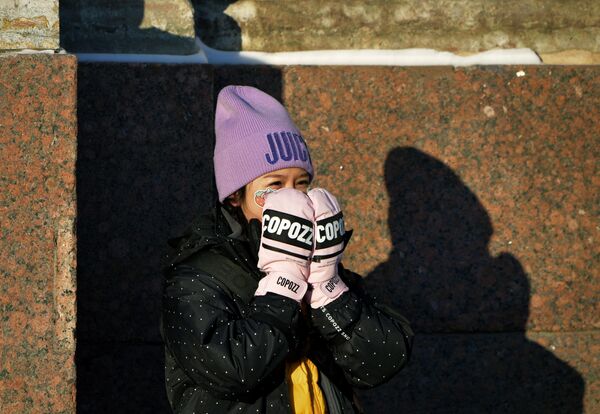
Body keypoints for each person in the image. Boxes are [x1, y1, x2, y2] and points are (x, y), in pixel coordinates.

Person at [161, 85, 413, 413]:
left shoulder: (319, 260)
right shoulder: (196, 276)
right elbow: (236, 371)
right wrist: (284, 283)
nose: (292, 198)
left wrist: (326, 287)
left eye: (302, 183)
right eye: (275, 185)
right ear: (236, 196)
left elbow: (381, 362)